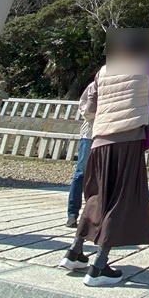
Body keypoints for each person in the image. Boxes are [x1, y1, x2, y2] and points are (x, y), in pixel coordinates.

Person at [59, 29, 149, 287]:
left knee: (97, 196)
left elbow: (89, 106)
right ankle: (99, 266)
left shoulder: (104, 70)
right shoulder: (147, 66)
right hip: (128, 139)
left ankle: (75, 252)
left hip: (99, 140)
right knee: (121, 199)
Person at [65, 71, 99, 227]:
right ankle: (72, 213)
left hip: (107, 135)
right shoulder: (92, 87)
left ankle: (95, 213)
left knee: (102, 177)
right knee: (81, 174)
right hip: (89, 134)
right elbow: (85, 110)